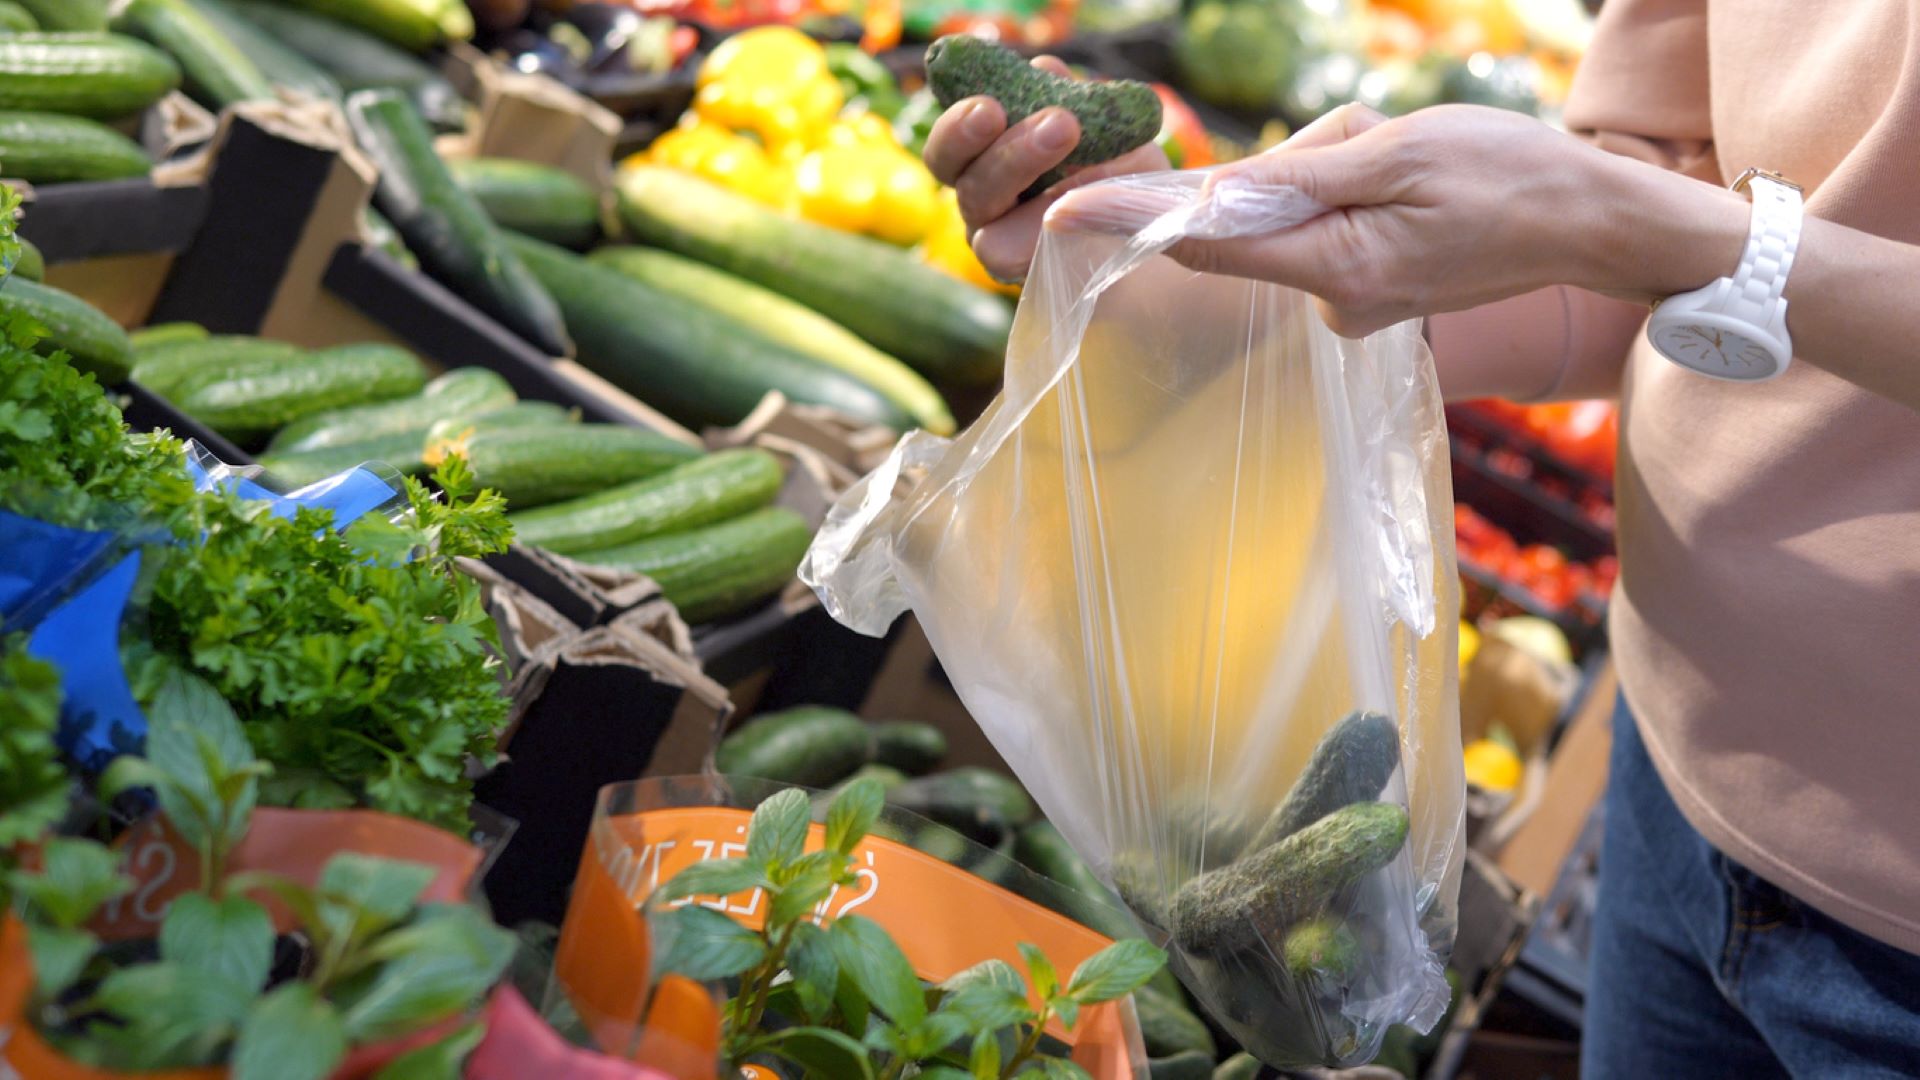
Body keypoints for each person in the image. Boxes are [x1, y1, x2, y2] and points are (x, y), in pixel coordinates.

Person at [921, 0, 1920, 1074]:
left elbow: (1667, 229)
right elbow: (1669, 201)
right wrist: (1209, 271)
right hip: (1678, 768)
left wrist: (1665, 231)